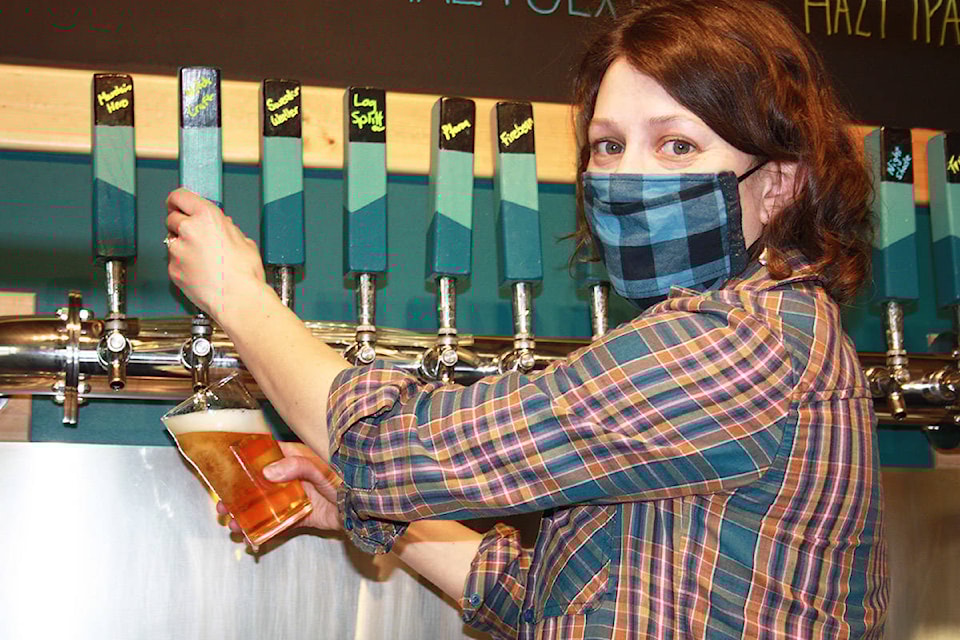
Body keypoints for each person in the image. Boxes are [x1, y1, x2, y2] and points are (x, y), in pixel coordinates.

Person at [165, 0, 888, 637]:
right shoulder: (720, 339)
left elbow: (384, 449)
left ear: (779, 185)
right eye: (609, 146)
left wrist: (239, 296)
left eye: (678, 146)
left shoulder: (745, 346)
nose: (628, 176)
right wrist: (381, 512)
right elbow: (548, 602)